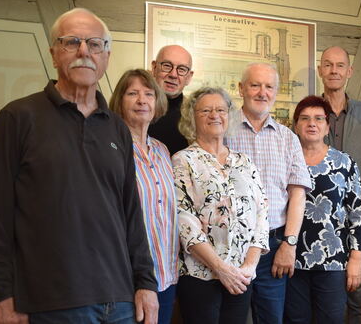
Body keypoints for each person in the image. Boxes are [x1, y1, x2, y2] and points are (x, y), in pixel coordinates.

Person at [0, 8, 159, 324]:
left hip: (119, 299)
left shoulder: (117, 128)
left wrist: (146, 283)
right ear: (53, 53)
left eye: (95, 44)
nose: (84, 52)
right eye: (72, 42)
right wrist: (3, 293)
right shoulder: (18, 118)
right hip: (51, 302)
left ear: (106, 55)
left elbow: (131, 212)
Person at [172, 87, 269, 324]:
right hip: (200, 276)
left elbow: (261, 213)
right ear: (192, 118)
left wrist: (249, 266)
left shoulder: (244, 161)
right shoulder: (183, 160)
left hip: (241, 276)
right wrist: (221, 269)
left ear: (229, 116)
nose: (214, 115)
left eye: (220, 110)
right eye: (205, 110)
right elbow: (184, 222)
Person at [226, 63, 312, 324]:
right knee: (232, 319)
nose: (262, 92)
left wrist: (290, 243)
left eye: (269, 87)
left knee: (272, 319)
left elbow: (298, 195)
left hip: (275, 247)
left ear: (275, 92)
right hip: (231, 247)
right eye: (255, 85)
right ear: (241, 89)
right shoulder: (223, 131)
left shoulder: (288, 138)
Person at [284, 95, 361, 324]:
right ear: (296, 125)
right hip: (291, 259)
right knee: (294, 319)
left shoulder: (344, 162)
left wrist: (356, 260)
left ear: (327, 126)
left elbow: (357, 215)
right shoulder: (286, 160)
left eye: (319, 118)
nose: (312, 123)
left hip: (333, 259)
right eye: (305, 118)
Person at [109, 69, 178, 324]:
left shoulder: (162, 150)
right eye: (133, 93)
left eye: (149, 94)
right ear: (119, 100)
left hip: (167, 273)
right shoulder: (111, 148)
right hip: (128, 278)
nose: (142, 100)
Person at [318, 46, 361, 323]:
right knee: (323, 292)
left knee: (357, 288)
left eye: (340, 65)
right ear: (320, 70)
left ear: (349, 72)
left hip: (359, 214)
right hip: (319, 218)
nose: (334, 70)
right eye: (328, 65)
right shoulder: (310, 111)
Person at [149, 45, 194, 155]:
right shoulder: (138, 108)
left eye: (182, 69)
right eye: (167, 66)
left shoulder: (195, 115)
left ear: (189, 77)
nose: (173, 75)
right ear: (154, 68)